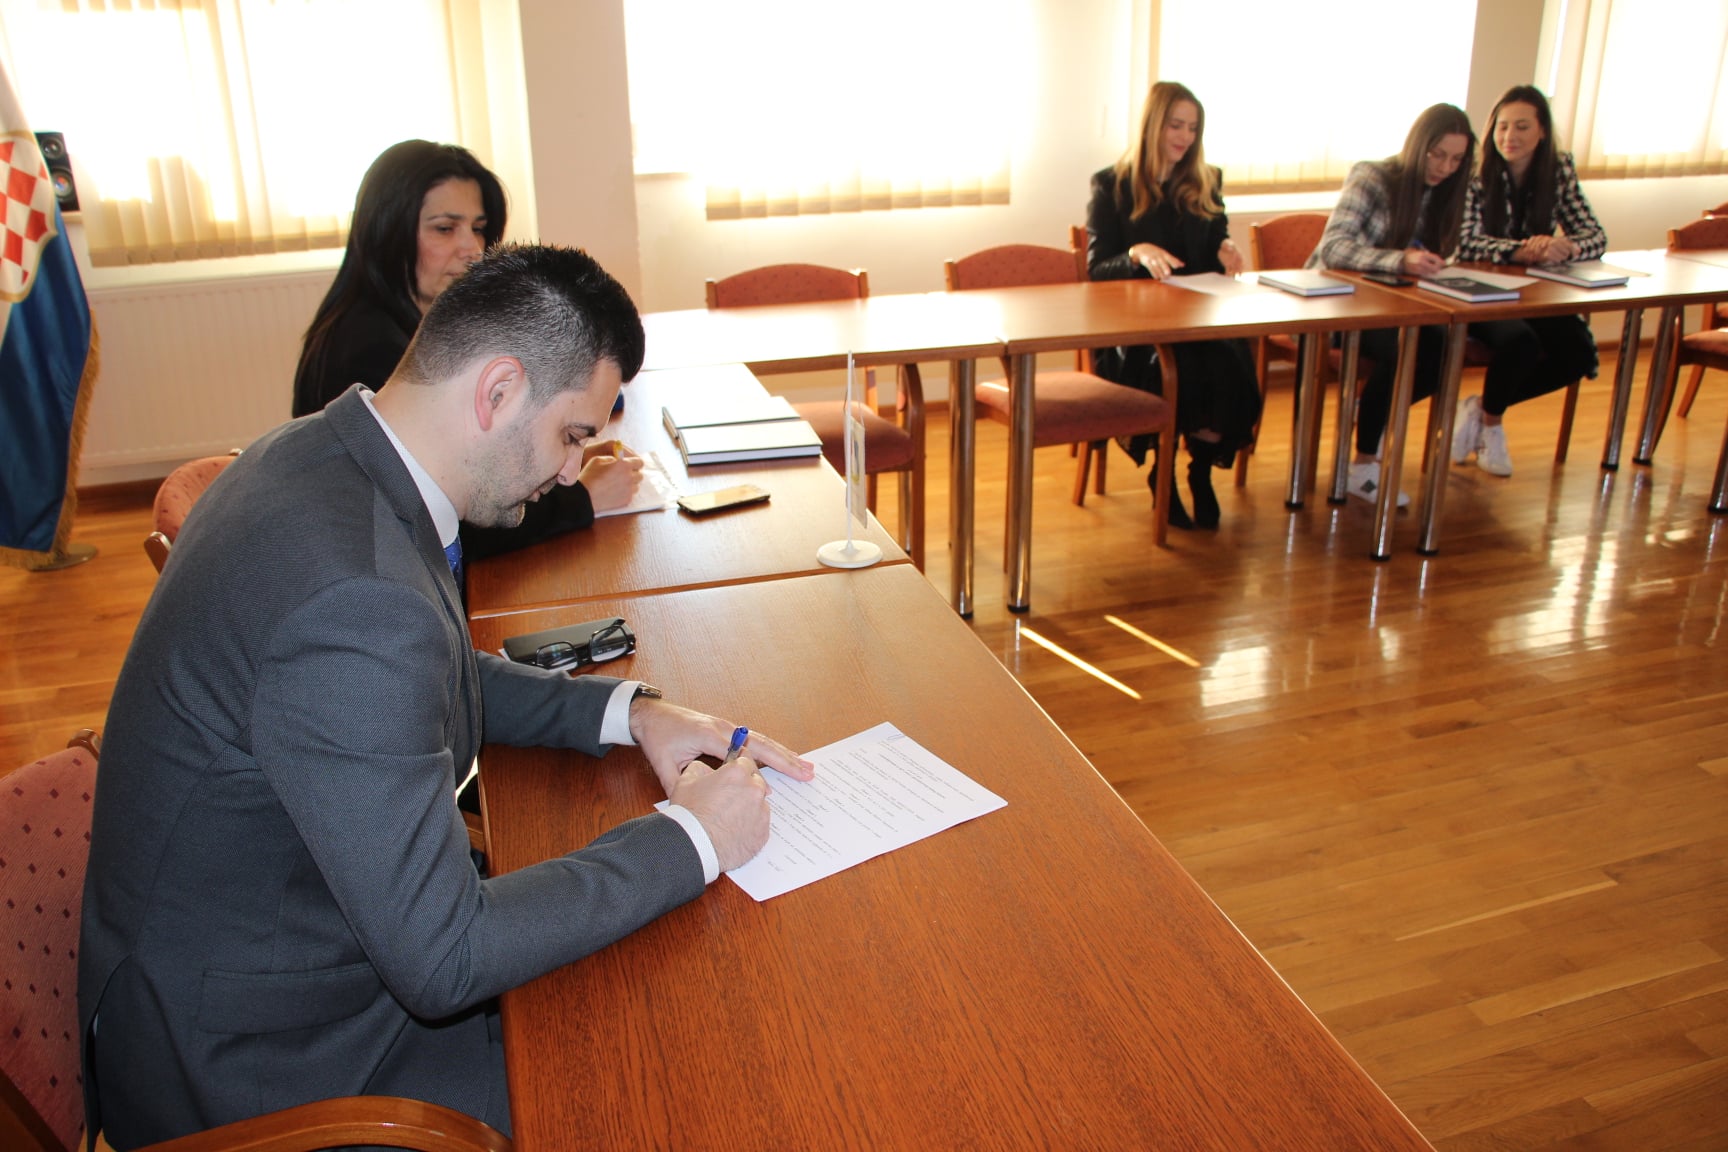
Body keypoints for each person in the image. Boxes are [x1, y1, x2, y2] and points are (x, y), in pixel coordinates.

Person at [78, 243, 815, 1149]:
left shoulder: (324, 453)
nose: (573, 472)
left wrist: (630, 712)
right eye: (573, 436)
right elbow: (446, 957)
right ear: (497, 390)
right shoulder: (353, 596)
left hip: (268, 951)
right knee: (665, 1090)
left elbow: (423, 669)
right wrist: (693, 837)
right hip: (260, 1062)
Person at [291, 140, 642, 557]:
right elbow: (448, 509)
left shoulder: (393, 320)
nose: (472, 249)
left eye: (478, 228)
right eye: (445, 228)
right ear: (387, 233)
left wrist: (555, 456)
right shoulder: (366, 348)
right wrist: (581, 497)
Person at [1087, 81, 1261, 530]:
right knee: (1180, 368)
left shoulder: (1206, 179)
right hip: (1137, 329)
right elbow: (1096, 268)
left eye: (1193, 128)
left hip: (1197, 316)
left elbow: (1215, 237)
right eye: (1176, 126)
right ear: (1153, 126)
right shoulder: (1113, 185)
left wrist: (1224, 248)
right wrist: (1135, 253)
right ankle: (1161, 473)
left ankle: (1199, 470)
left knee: (1232, 364)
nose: (1185, 137)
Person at [1308, 103, 1476, 505]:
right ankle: (1365, 462)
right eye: (1437, 154)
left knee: (1442, 347)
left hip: (1396, 307)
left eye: (1456, 159)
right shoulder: (1373, 177)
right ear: (1417, 145)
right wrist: (1400, 260)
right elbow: (1334, 248)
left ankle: (1370, 414)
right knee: (1415, 346)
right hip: (1337, 306)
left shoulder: (1452, 190)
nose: (1445, 167)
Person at [1452, 85, 1605, 477]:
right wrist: (1520, 250)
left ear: (1542, 131)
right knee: (1520, 343)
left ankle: (1482, 409)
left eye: (1522, 127)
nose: (1510, 136)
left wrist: (1564, 247)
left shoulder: (1559, 170)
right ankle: (1492, 425)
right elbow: (1463, 243)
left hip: (1536, 294)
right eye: (1502, 127)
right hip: (1480, 292)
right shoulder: (1475, 171)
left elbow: (1595, 235)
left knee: (1578, 355)